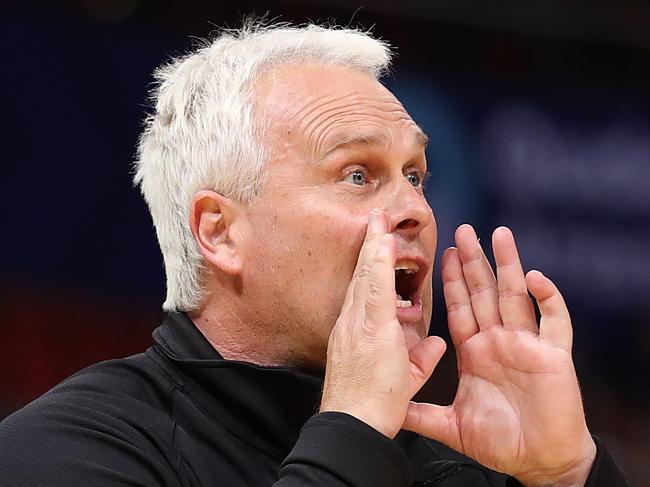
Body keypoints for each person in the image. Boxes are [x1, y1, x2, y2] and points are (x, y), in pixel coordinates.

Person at [0, 22, 627, 486]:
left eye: (415, 173)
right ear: (220, 232)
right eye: (358, 174)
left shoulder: (472, 464)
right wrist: (352, 429)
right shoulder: (61, 454)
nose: (416, 208)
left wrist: (569, 474)